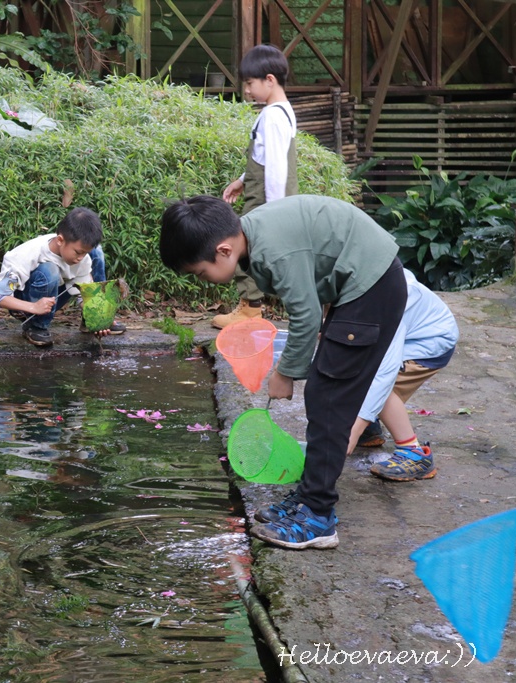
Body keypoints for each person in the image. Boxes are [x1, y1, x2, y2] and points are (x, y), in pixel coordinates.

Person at [159, 194, 408, 550]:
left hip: (371, 287)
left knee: (328, 397)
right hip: (361, 284)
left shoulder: (274, 252)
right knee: (327, 388)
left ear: (224, 250)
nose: (205, 281)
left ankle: (318, 516)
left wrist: (285, 373)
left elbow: (305, 316)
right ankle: (309, 498)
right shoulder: (253, 236)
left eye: (201, 272)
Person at [346, 269, 458, 481]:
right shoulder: (365, 274)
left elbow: (383, 373)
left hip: (430, 343)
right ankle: (370, 427)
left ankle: (413, 454)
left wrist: (354, 428)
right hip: (409, 334)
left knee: (377, 385)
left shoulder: (392, 296)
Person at [215, 44, 298, 330]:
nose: (247, 91)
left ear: (270, 80)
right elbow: (266, 156)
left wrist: (273, 212)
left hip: (266, 201)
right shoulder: (282, 111)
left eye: (250, 83)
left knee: (244, 247)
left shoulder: (273, 116)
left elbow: (276, 168)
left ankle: (249, 309)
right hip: (265, 196)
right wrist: (241, 179)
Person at [0, 207, 125, 347]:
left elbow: (83, 295)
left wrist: (98, 317)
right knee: (49, 269)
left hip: (50, 300)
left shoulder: (82, 258)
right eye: (78, 252)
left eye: (84, 253)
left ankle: (88, 322)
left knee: (97, 253)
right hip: (25, 303)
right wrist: (33, 307)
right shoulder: (25, 255)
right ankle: (36, 326)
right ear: (60, 240)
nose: (80, 258)